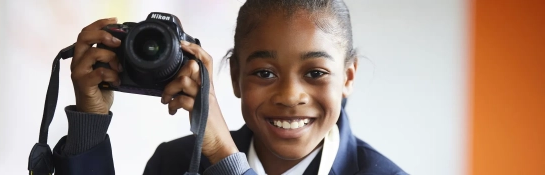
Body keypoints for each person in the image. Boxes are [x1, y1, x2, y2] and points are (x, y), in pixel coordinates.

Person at [52, 0, 408, 174]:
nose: (289, 96)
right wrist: (91, 121)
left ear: (347, 77)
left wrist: (224, 155)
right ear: (235, 75)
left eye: (315, 73)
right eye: (265, 73)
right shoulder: (175, 164)